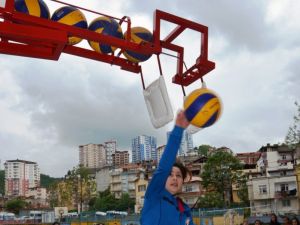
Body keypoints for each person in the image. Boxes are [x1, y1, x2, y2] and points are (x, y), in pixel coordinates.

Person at [140, 111, 193, 225]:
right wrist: (178, 129)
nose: (174, 178)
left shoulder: (184, 210)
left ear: (182, 181)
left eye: (178, 176)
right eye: (170, 174)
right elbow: (164, 167)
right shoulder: (154, 194)